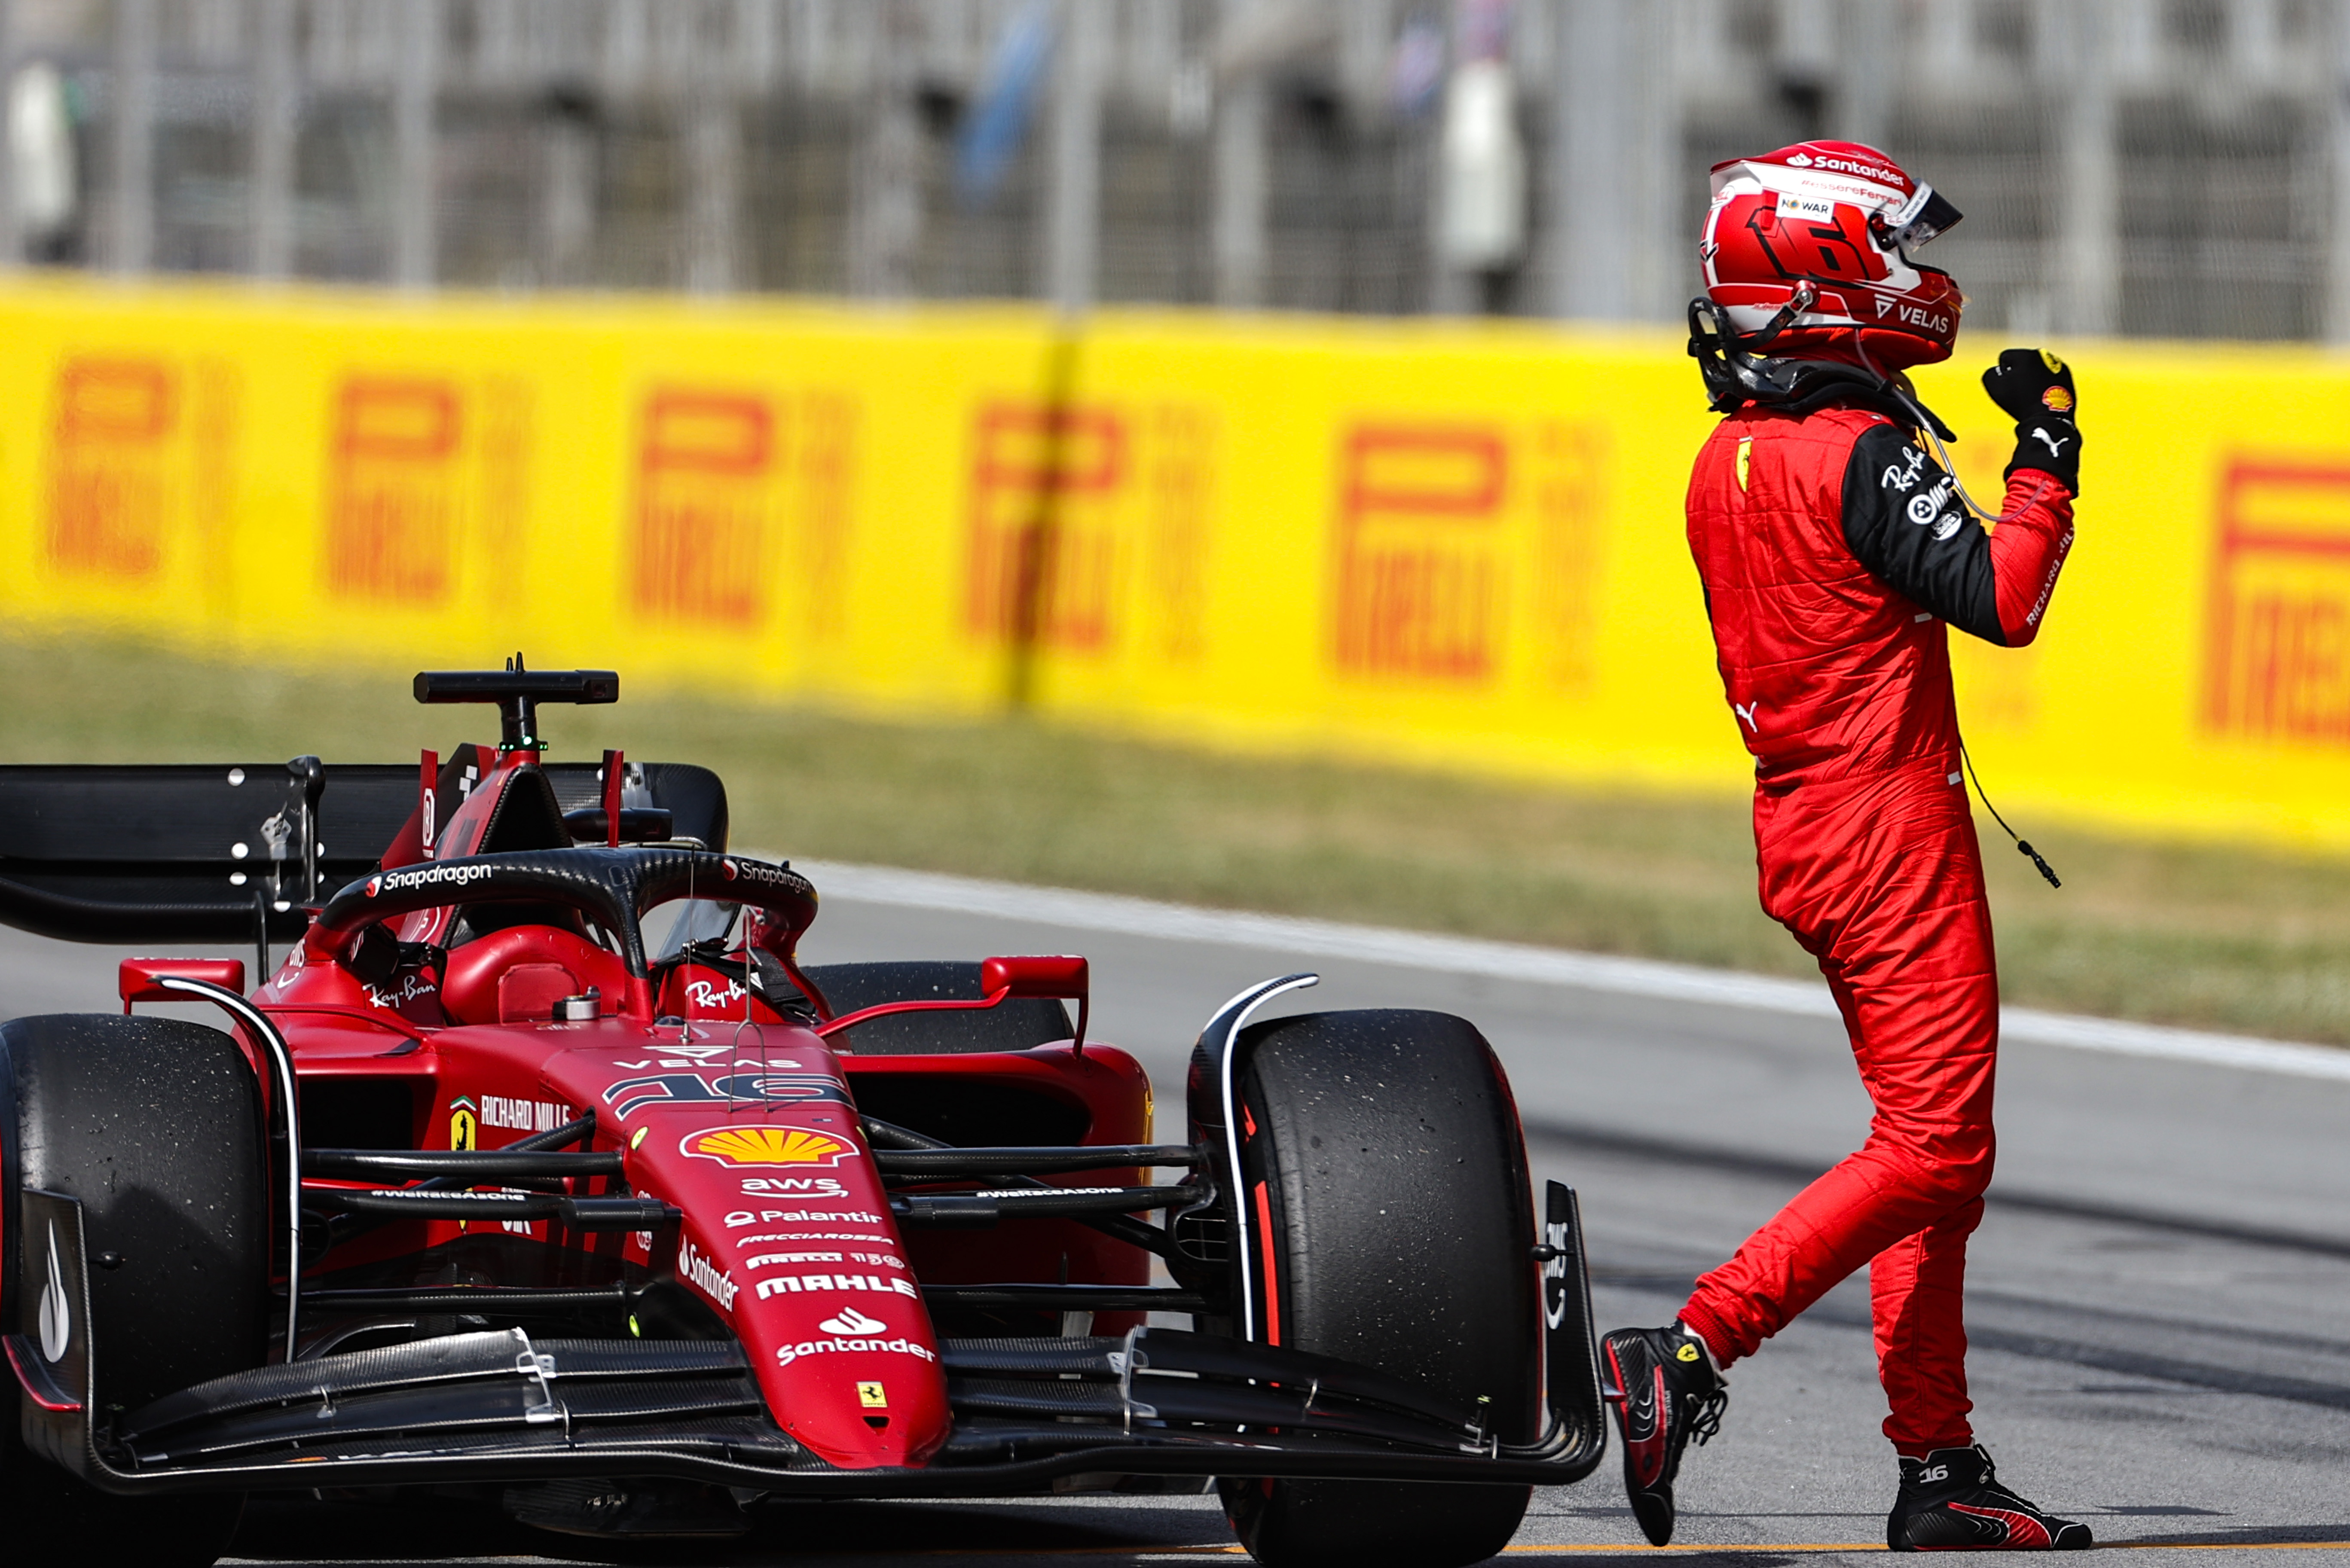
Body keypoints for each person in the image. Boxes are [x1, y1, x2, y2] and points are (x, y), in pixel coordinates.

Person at [1599, 141, 2091, 1553]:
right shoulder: (1860, 452)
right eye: (1898, 251)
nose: (1925, 277)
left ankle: (1938, 1466)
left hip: (1804, 826)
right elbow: (2006, 595)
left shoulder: (1723, 457)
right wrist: (2047, 458)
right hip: (1891, 827)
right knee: (1938, 1147)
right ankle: (1690, 1347)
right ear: (1829, 276)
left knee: (1935, 1150)